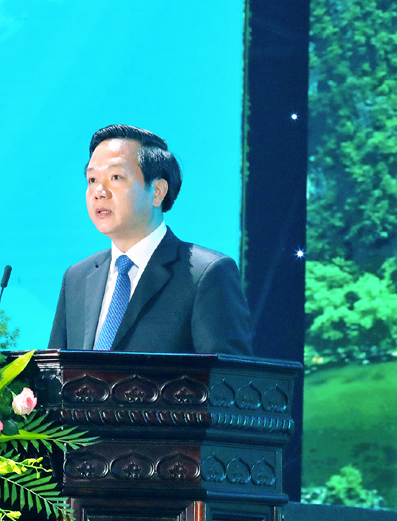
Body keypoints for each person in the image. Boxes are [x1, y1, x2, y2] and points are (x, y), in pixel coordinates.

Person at [48, 124, 253, 355]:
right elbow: (53, 371)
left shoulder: (206, 274)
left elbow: (227, 374)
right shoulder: (77, 278)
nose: (99, 191)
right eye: (92, 179)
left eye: (116, 177)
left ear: (157, 192)